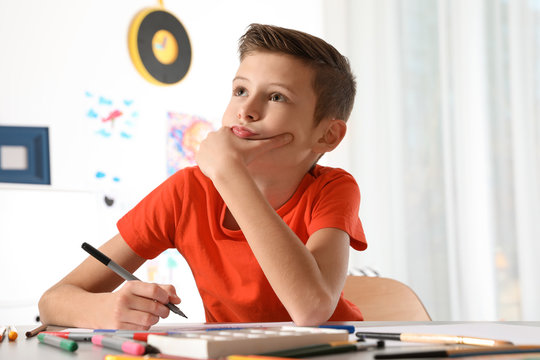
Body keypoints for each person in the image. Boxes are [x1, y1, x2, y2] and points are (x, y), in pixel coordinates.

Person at [38, 23, 367, 330]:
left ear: (328, 136)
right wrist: (106, 310)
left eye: (276, 97)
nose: (246, 110)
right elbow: (53, 300)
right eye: (240, 90)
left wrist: (229, 173)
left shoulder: (333, 189)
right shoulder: (186, 192)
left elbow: (311, 309)